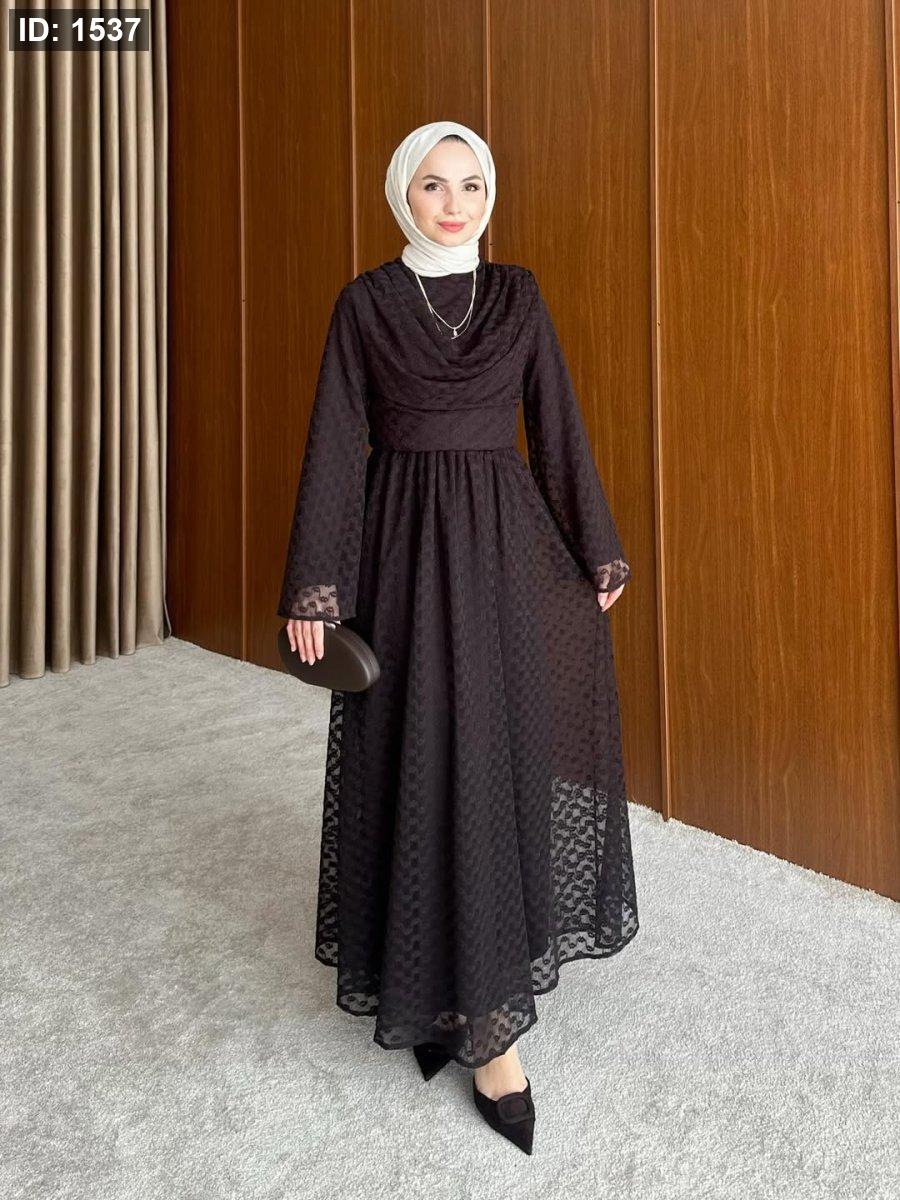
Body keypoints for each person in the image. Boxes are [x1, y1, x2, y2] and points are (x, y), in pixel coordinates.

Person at [278, 120, 638, 1156]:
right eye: (434, 185)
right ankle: (441, 996)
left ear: (490, 196)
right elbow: (336, 441)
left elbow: (555, 421)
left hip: (502, 549)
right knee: (411, 751)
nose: (454, 203)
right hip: (398, 547)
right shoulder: (364, 303)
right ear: (404, 193)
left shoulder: (518, 295)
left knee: (490, 755)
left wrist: (596, 547)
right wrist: (313, 588)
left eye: (472, 184)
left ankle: (487, 1018)